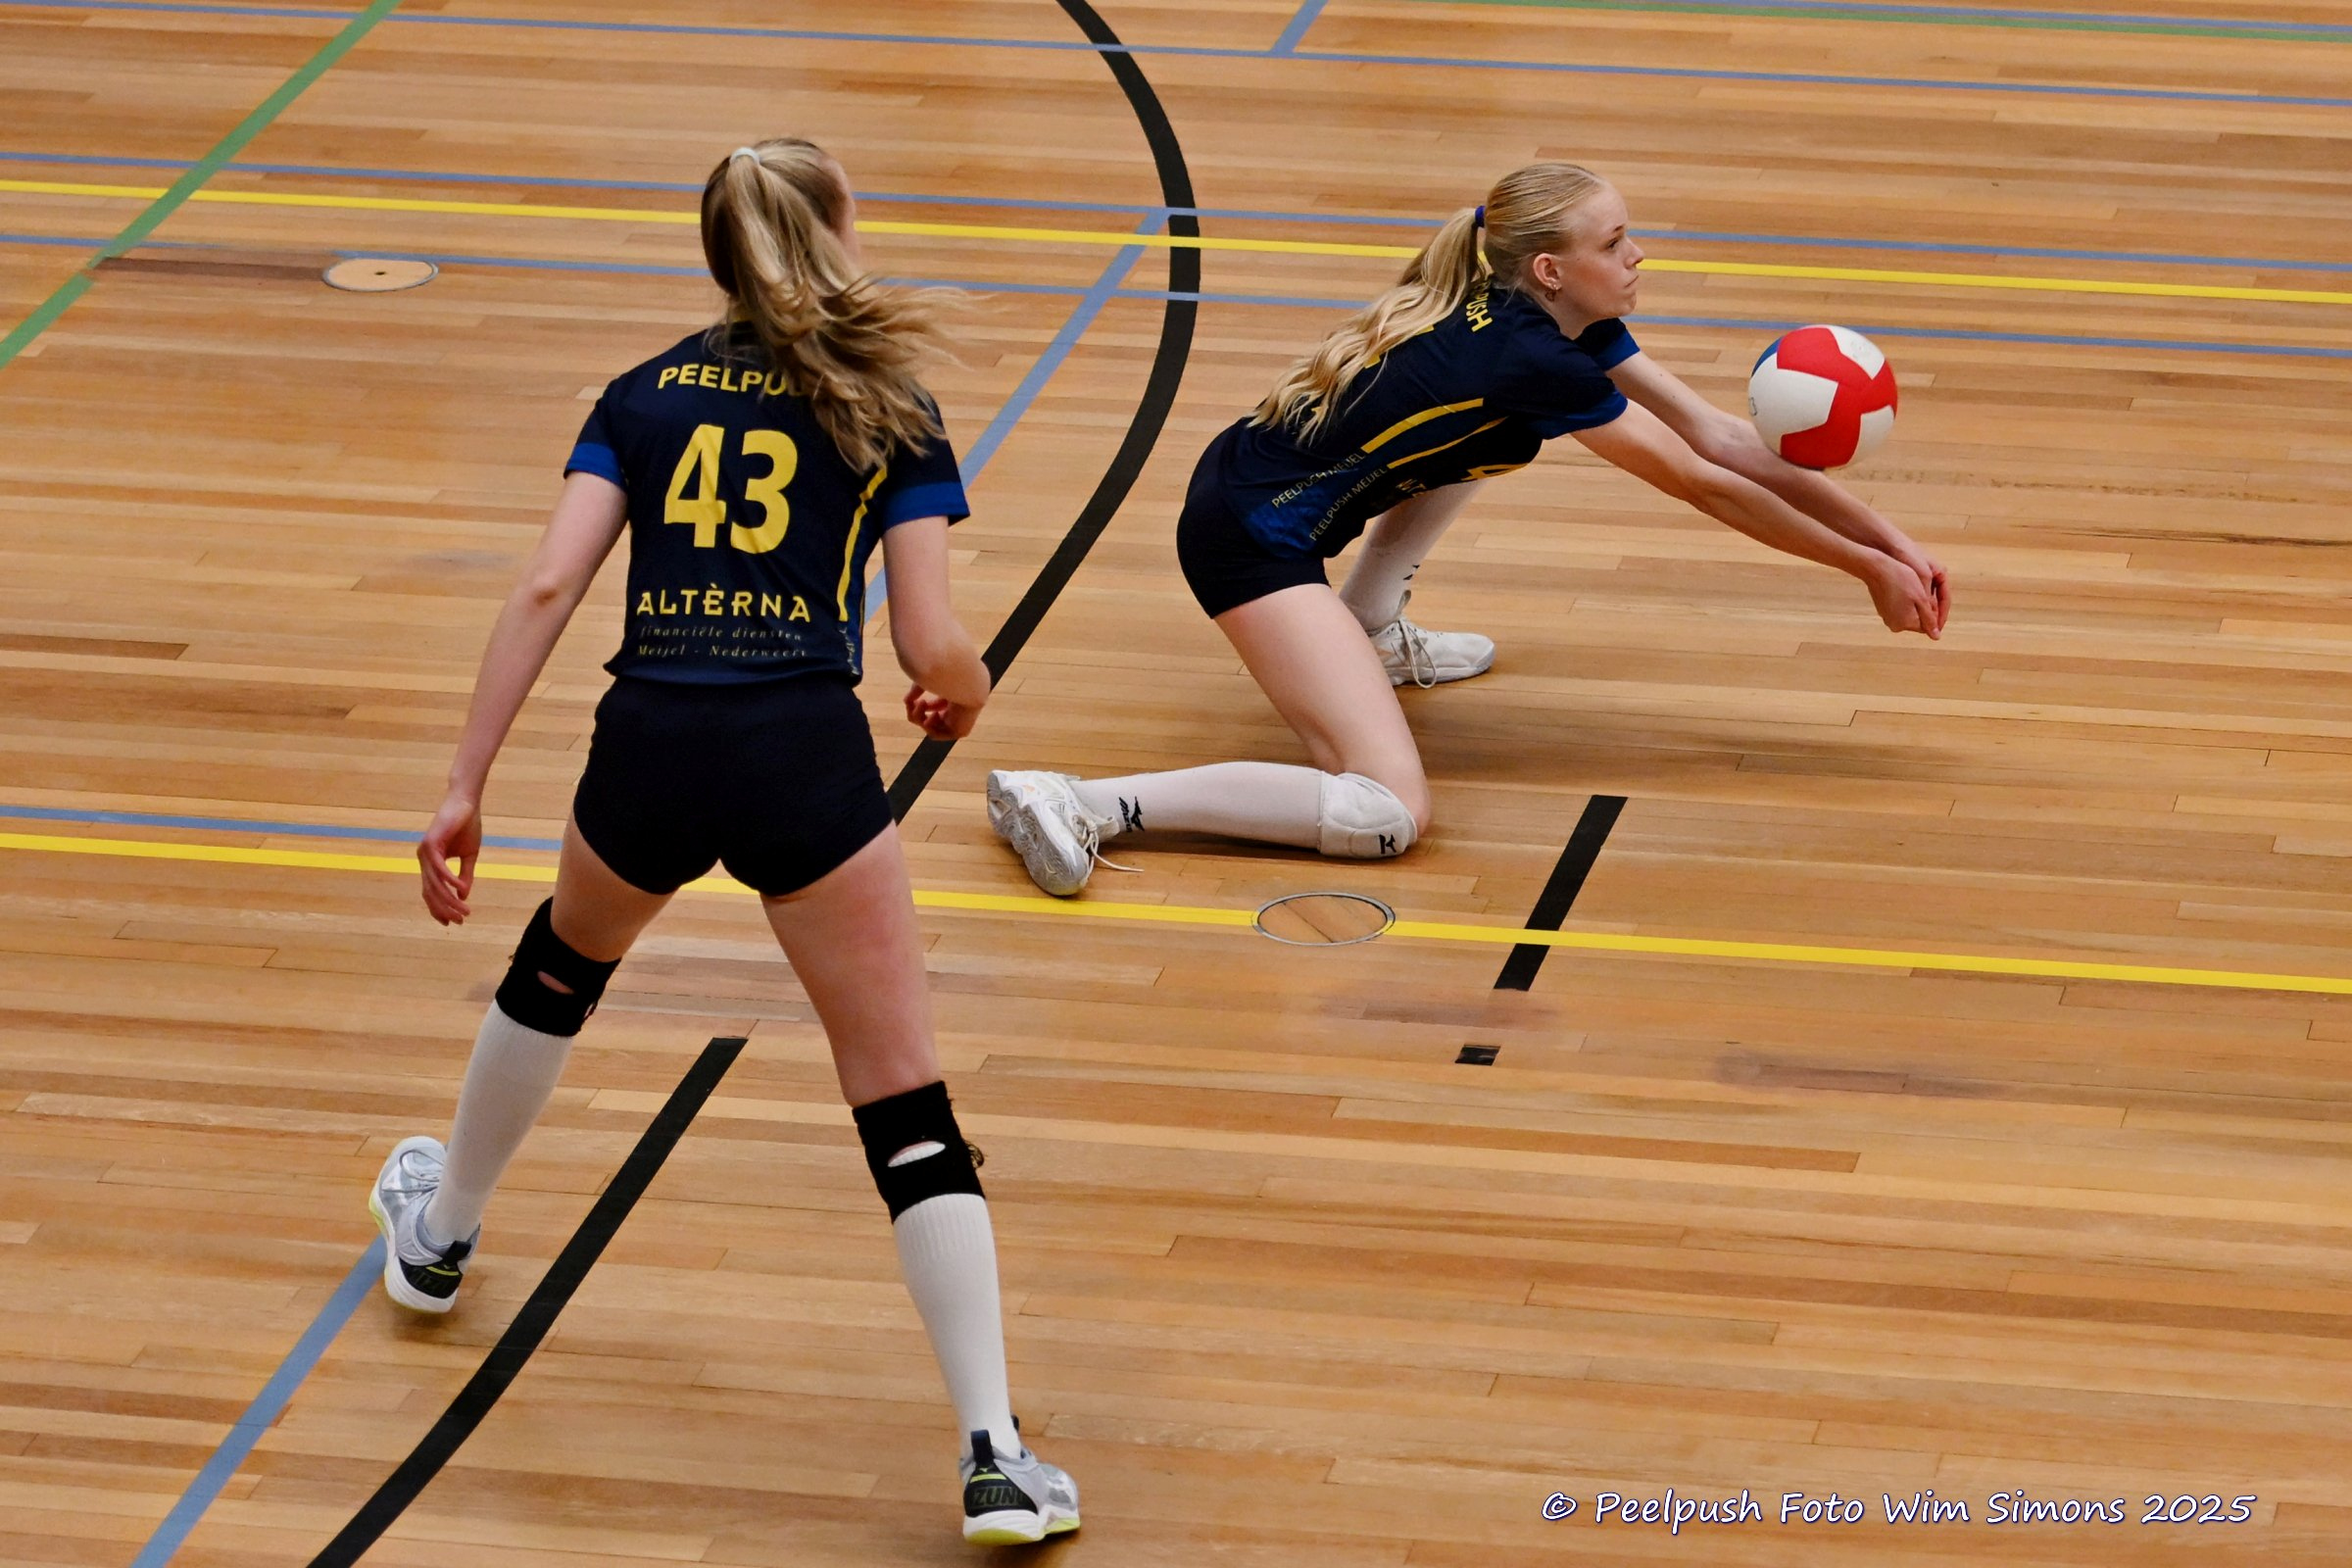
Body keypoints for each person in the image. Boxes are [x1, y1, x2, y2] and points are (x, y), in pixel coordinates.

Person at [378, 137, 1078, 1547]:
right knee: (901, 1096)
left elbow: (547, 584)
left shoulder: (640, 395)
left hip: (648, 743)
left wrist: (464, 782)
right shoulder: (889, 403)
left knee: (558, 970)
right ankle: (995, 1451)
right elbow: (930, 641)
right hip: (800, 760)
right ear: (838, 228)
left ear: (717, 251)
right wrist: (968, 690)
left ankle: (439, 1235)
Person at [986, 161, 1950, 895]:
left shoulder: (1555, 319)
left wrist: (1891, 546)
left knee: (1490, 439)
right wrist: (1859, 568)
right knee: (1388, 811)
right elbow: (1706, 486)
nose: (1637, 256)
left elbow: (1721, 439)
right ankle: (1082, 799)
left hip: (1263, 484)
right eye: (1616, 242)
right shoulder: (1532, 360)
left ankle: (1366, 627)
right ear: (1551, 269)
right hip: (1248, 539)